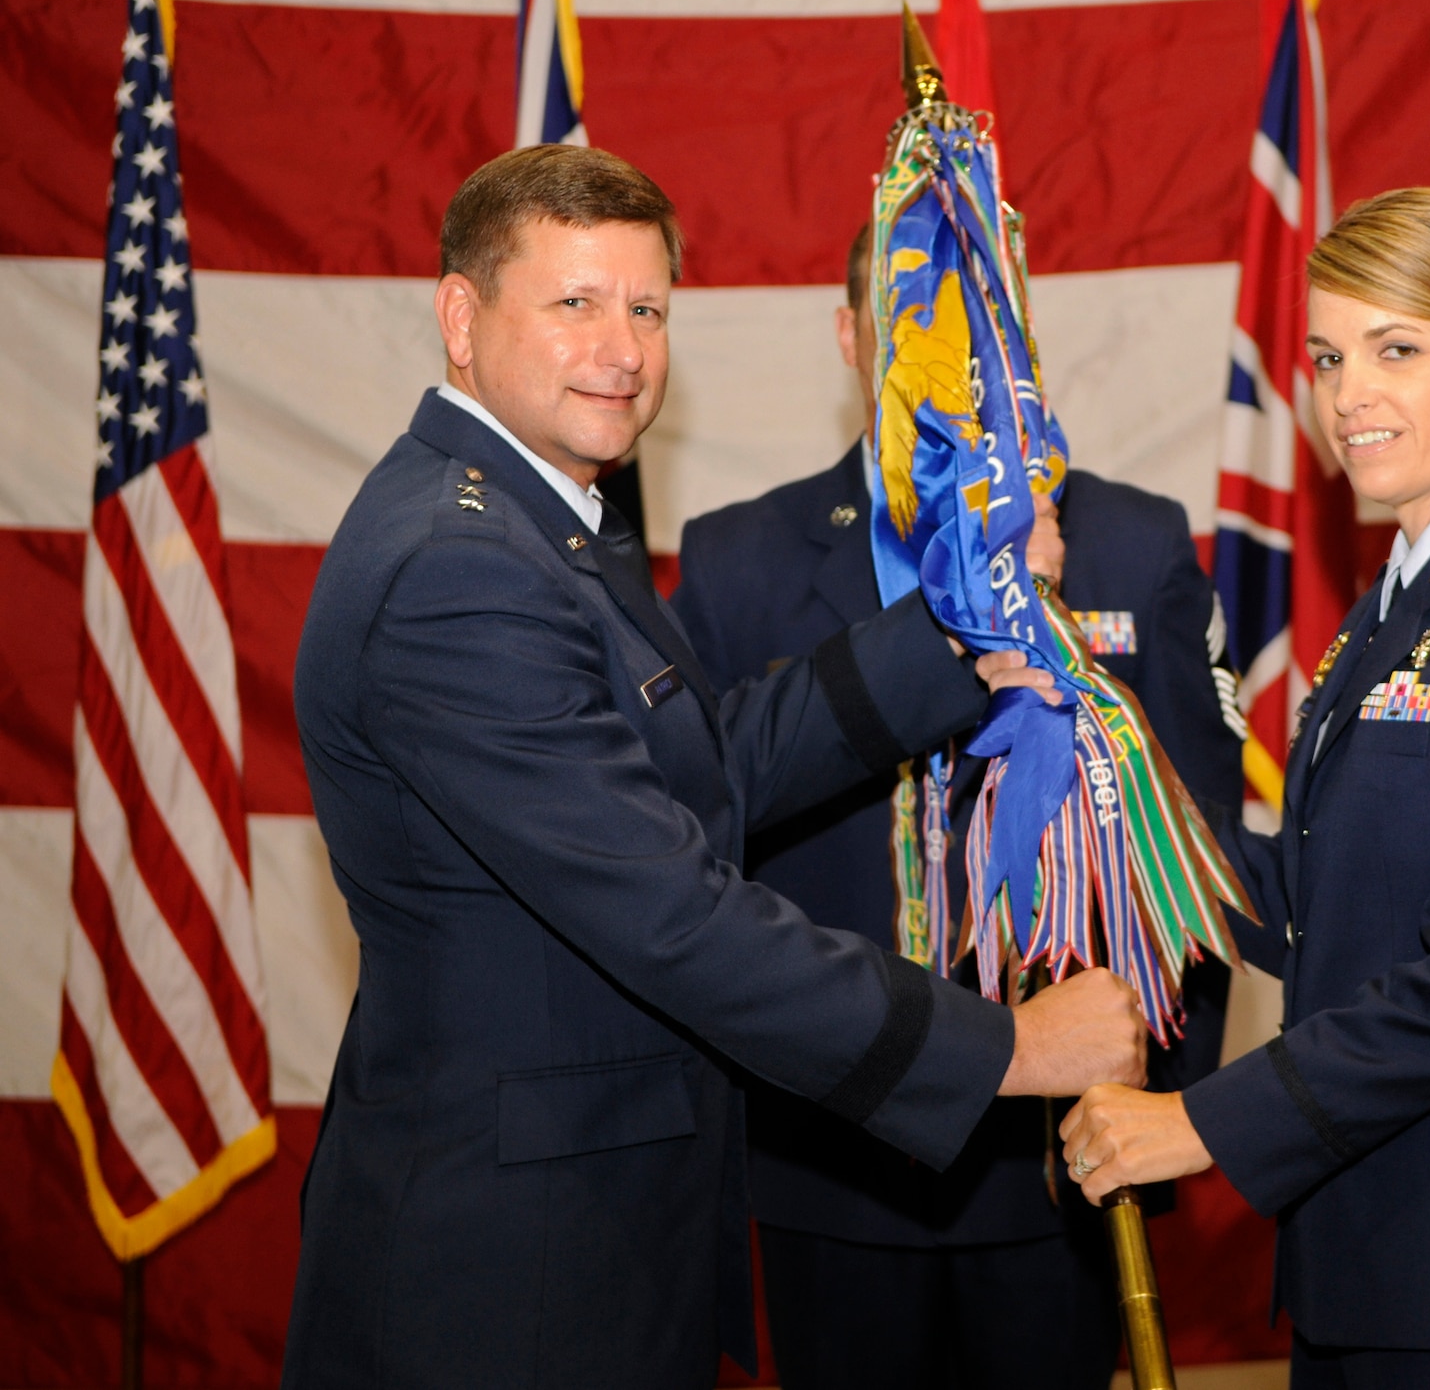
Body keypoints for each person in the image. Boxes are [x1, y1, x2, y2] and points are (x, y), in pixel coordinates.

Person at [284, 145, 1151, 1390]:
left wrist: (955, 644)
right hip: (508, 1276)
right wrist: (1007, 1049)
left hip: (584, 1223)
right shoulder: (457, 568)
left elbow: (702, 764)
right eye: (574, 302)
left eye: (645, 308)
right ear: (460, 318)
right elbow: (673, 915)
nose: (622, 350)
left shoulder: (534, 519)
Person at [1060, 188, 1430, 1388]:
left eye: (1398, 350)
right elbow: (1319, 906)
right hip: (1377, 1245)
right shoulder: (1398, 605)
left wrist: (1200, 1121)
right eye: (1331, 356)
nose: (1348, 397)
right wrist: (1110, 771)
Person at [669, 224, 1245, 1390]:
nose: (944, 357)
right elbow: (699, 860)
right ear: (849, 336)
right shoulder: (735, 560)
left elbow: (1199, 855)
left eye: (973, 326)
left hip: (1059, 1164)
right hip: (833, 1159)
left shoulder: (1127, 541)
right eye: (907, 321)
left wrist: (1159, 1116)